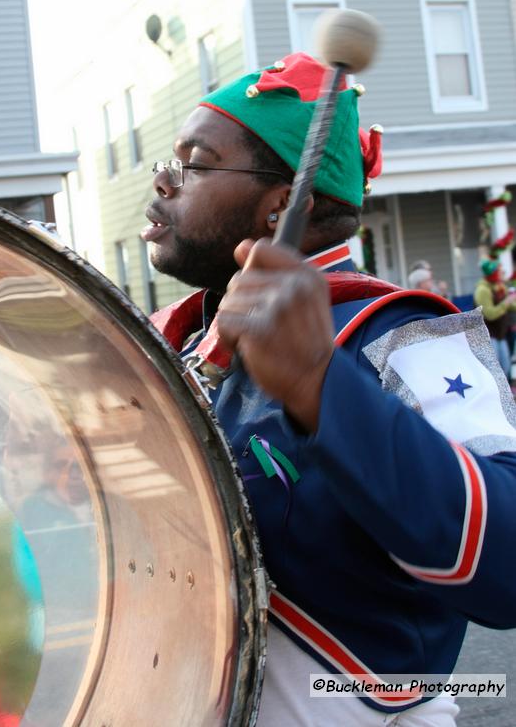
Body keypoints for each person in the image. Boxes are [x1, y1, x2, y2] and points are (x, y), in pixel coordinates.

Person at [143, 53, 516, 727]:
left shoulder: (402, 332)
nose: (166, 183)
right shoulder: (179, 337)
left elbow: (509, 558)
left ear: (281, 206)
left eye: (194, 163)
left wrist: (320, 383)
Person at [473, 259, 516, 380]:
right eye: (499, 271)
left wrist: (510, 301)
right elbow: (490, 314)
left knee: (506, 368)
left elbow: (512, 305)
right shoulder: (482, 290)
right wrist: (506, 302)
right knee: (495, 373)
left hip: (501, 335)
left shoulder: (499, 287)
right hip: (489, 336)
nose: (502, 273)